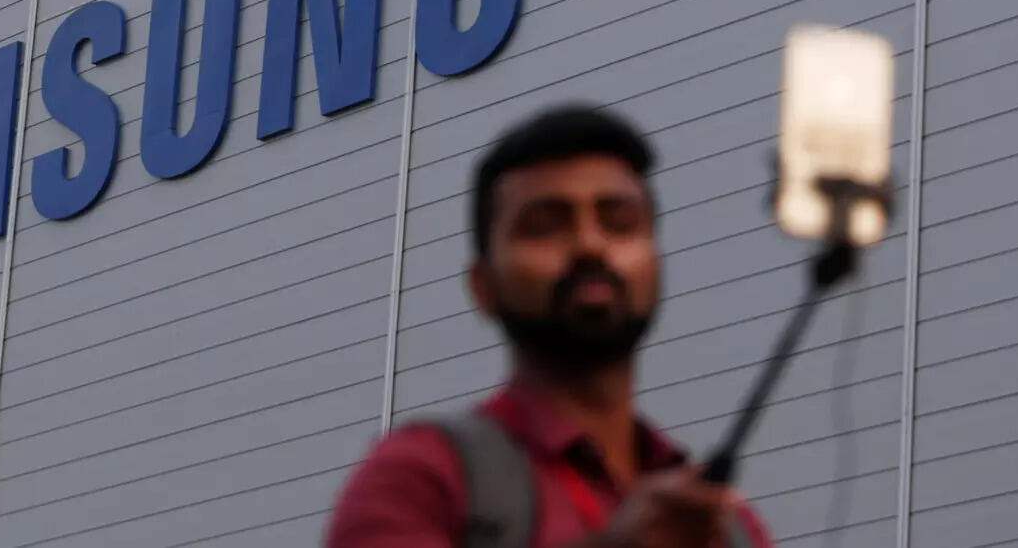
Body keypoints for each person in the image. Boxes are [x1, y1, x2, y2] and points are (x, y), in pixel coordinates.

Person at [324, 104, 774, 547]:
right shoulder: (421, 479)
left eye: (620, 222)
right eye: (544, 227)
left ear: (656, 267)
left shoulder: (729, 527)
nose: (590, 245)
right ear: (483, 287)